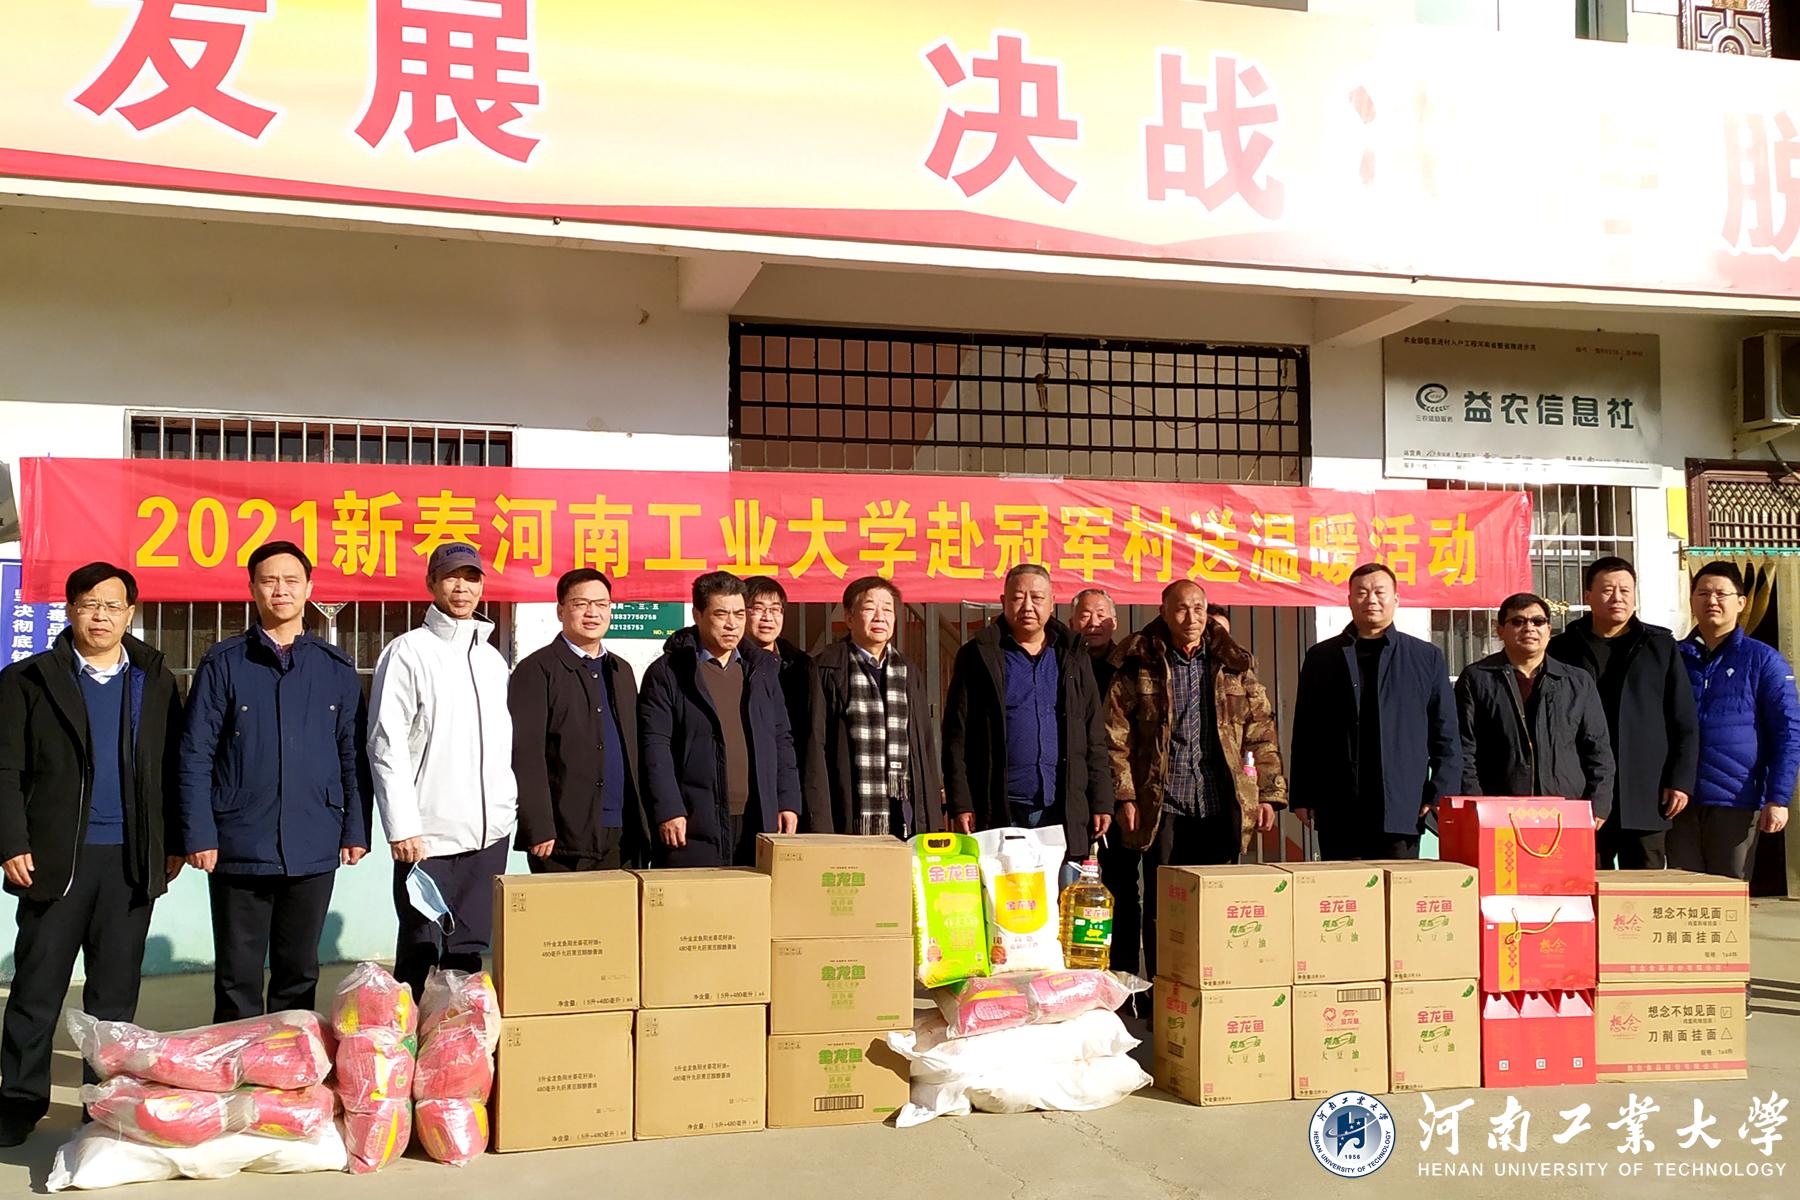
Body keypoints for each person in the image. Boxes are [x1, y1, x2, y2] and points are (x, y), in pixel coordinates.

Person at [0, 564, 184, 1147]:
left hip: (130, 861)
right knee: (37, 988)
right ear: (71, 610)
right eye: (88, 604)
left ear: (130, 613)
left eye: (111, 605)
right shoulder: (28, 679)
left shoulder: (155, 680)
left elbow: (173, 767)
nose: (99, 616)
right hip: (56, 858)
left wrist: (174, 842)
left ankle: (102, 1103)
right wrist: (11, 842)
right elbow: (5, 769)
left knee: (114, 996)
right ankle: (19, 1101)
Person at [178, 542, 370, 1023]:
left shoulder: (335, 668)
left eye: (290, 580)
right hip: (239, 842)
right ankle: (238, 1060)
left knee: (299, 972)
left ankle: (290, 1062)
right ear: (252, 589)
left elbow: (352, 755)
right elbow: (195, 754)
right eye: (269, 581)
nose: (280, 590)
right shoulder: (224, 663)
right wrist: (198, 834)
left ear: (309, 588)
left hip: (314, 838)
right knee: (237, 976)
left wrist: (355, 829)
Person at [1104, 579, 1287, 980]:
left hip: (1220, 803)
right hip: (1163, 804)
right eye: (1182, 608)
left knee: (1218, 902)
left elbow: (1261, 732)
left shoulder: (1233, 664)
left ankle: (1215, 985)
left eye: (1199, 609)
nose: (1191, 617)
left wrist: (1268, 795)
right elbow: (1115, 736)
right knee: (1163, 906)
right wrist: (1125, 796)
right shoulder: (1139, 662)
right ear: (1164, 611)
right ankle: (1162, 989)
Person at [368, 543, 516, 998]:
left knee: (468, 955)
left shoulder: (492, 660)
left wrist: (506, 808)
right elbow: (386, 743)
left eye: (471, 578)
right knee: (420, 948)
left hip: (489, 835)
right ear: (432, 583)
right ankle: (409, 1038)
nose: (462, 587)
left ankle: (459, 1043)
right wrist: (402, 827)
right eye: (452, 576)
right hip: (428, 837)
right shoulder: (408, 652)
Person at [1289, 563, 1461, 861]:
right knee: (1342, 886)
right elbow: (1306, 731)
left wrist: (1440, 793)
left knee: (1400, 885)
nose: (1371, 599)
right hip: (1338, 803)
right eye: (1362, 592)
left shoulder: (1425, 657)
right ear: (1349, 600)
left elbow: (1445, 732)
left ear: (1396, 599)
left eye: (1380, 592)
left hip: (1402, 804)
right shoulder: (1322, 657)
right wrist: (1302, 795)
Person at [941, 564, 1114, 855]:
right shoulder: (978, 655)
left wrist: (1101, 800)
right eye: (1018, 598)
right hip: (1000, 806)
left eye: (1037, 597)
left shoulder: (1072, 655)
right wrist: (961, 803)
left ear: (1052, 602)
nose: (1028, 606)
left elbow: (1093, 735)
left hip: (1062, 807)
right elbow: (955, 737)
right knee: (1004, 885)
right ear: (1003, 601)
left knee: (1064, 885)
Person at [639, 572, 801, 866]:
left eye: (739, 614)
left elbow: (781, 738)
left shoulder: (761, 669)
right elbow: (655, 745)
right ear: (697, 615)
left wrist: (788, 799)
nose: (732, 624)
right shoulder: (669, 672)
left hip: (757, 818)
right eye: (721, 614)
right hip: (693, 822)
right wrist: (669, 808)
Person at [1547, 557, 1699, 870]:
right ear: (1588, 596)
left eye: (1625, 590)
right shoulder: (1562, 648)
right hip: (1581, 787)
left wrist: (1680, 780)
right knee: (1583, 877)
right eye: (1607, 590)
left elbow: (1683, 720)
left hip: (1646, 788)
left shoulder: (1659, 646)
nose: (1617, 597)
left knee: (1644, 884)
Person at [510, 569, 644, 872]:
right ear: (561, 611)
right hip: (563, 835)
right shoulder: (537, 670)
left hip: (623, 830)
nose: (592, 613)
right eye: (581, 604)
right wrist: (538, 824)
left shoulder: (620, 670)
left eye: (601, 604)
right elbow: (526, 753)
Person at [1673, 562, 1799, 881]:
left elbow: (1787, 733)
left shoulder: (1763, 660)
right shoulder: (1674, 658)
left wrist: (1778, 798)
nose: (1712, 601)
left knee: (1727, 896)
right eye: (1703, 593)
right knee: (1682, 894)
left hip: (1736, 800)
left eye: (1721, 594)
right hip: (1680, 800)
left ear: (1741, 602)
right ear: (1692, 600)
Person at [1455, 592, 1615, 824]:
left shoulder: (1577, 681)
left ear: (1548, 630)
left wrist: (1598, 805)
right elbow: (1464, 747)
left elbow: (1598, 749)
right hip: (1498, 810)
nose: (1529, 628)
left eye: (1538, 621)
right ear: (1500, 630)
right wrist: (1475, 803)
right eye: (1518, 621)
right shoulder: (1477, 678)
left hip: (1565, 810)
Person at [810, 576, 943, 838]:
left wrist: (931, 813)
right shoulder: (827, 667)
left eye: (888, 609)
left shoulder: (907, 671)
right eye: (870, 608)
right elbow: (815, 745)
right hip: (849, 806)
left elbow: (924, 746)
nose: (880, 617)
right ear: (850, 618)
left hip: (902, 808)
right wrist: (820, 820)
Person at [744, 577, 828, 832]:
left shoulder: (801, 666)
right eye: (758, 608)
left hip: (790, 779)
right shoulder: (732, 663)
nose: (767, 617)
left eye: (775, 609)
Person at [1071, 587, 1119, 693]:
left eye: (1101, 616)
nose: (1093, 623)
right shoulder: (1062, 663)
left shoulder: (1127, 665)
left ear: (1114, 623)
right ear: (1071, 624)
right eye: (1085, 616)